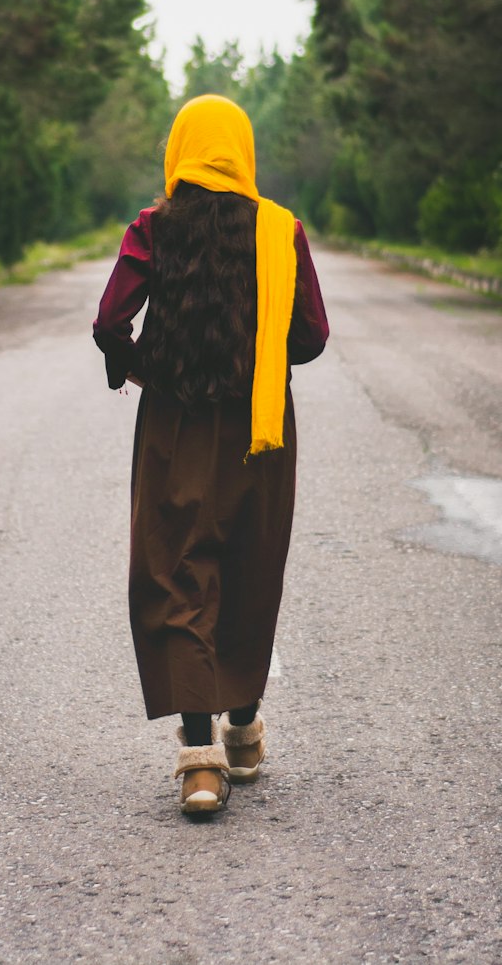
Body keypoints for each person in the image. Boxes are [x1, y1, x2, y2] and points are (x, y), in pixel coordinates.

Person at [92, 94, 329, 816]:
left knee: (177, 571)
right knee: (248, 566)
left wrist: (143, 369)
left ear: (181, 151)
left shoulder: (153, 228)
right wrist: (259, 358)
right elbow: (312, 336)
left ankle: (200, 763)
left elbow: (109, 322)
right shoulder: (280, 231)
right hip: (260, 428)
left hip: (175, 424)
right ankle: (245, 729)